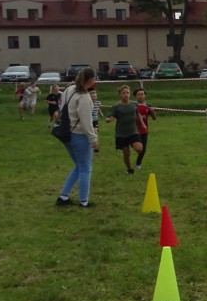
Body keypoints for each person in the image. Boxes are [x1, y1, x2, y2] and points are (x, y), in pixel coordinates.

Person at [56, 67, 100, 208]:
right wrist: (93, 138)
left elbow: (62, 106)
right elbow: (86, 121)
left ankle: (63, 197)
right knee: (86, 168)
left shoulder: (69, 90)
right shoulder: (84, 97)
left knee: (79, 166)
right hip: (79, 135)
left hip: (66, 133)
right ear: (91, 80)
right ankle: (84, 201)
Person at [105, 85, 144, 174]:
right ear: (119, 95)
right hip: (121, 134)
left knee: (139, 148)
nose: (126, 95)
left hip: (133, 131)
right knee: (126, 153)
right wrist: (109, 120)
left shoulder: (134, 104)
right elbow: (109, 118)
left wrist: (142, 125)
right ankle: (129, 168)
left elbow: (138, 114)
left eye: (127, 93)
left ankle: (133, 146)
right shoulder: (116, 106)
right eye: (123, 93)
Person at [134, 87, 157, 170]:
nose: (140, 96)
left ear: (145, 96)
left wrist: (152, 111)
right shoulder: (133, 105)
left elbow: (154, 118)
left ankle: (138, 163)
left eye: (142, 94)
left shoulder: (148, 105)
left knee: (143, 149)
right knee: (137, 147)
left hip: (144, 130)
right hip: (134, 129)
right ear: (135, 96)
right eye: (138, 95)